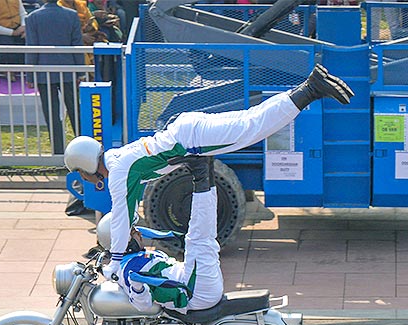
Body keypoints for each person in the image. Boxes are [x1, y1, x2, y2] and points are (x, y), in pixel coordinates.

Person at [62, 64, 355, 311]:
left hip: (192, 140)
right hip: (188, 131)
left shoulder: (118, 172)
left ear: (85, 165)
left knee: (255, 126)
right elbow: (131, 217)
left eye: (80, 173)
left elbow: (123, 217)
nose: (84, 179)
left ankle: (311, 89)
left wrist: (114, 261)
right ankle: (310, 87)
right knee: (252, 121)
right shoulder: (117, 160)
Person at [25, 0, 83, 155]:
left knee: (52, 113)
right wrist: (80, 72)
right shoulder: (71, 15)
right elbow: (77, 43)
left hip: (44, 71)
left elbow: (32, 47)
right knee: (75, 110)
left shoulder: (32, 17)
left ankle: (58, 152)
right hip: (68, 69)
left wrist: (30, 74)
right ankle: (83, 147)